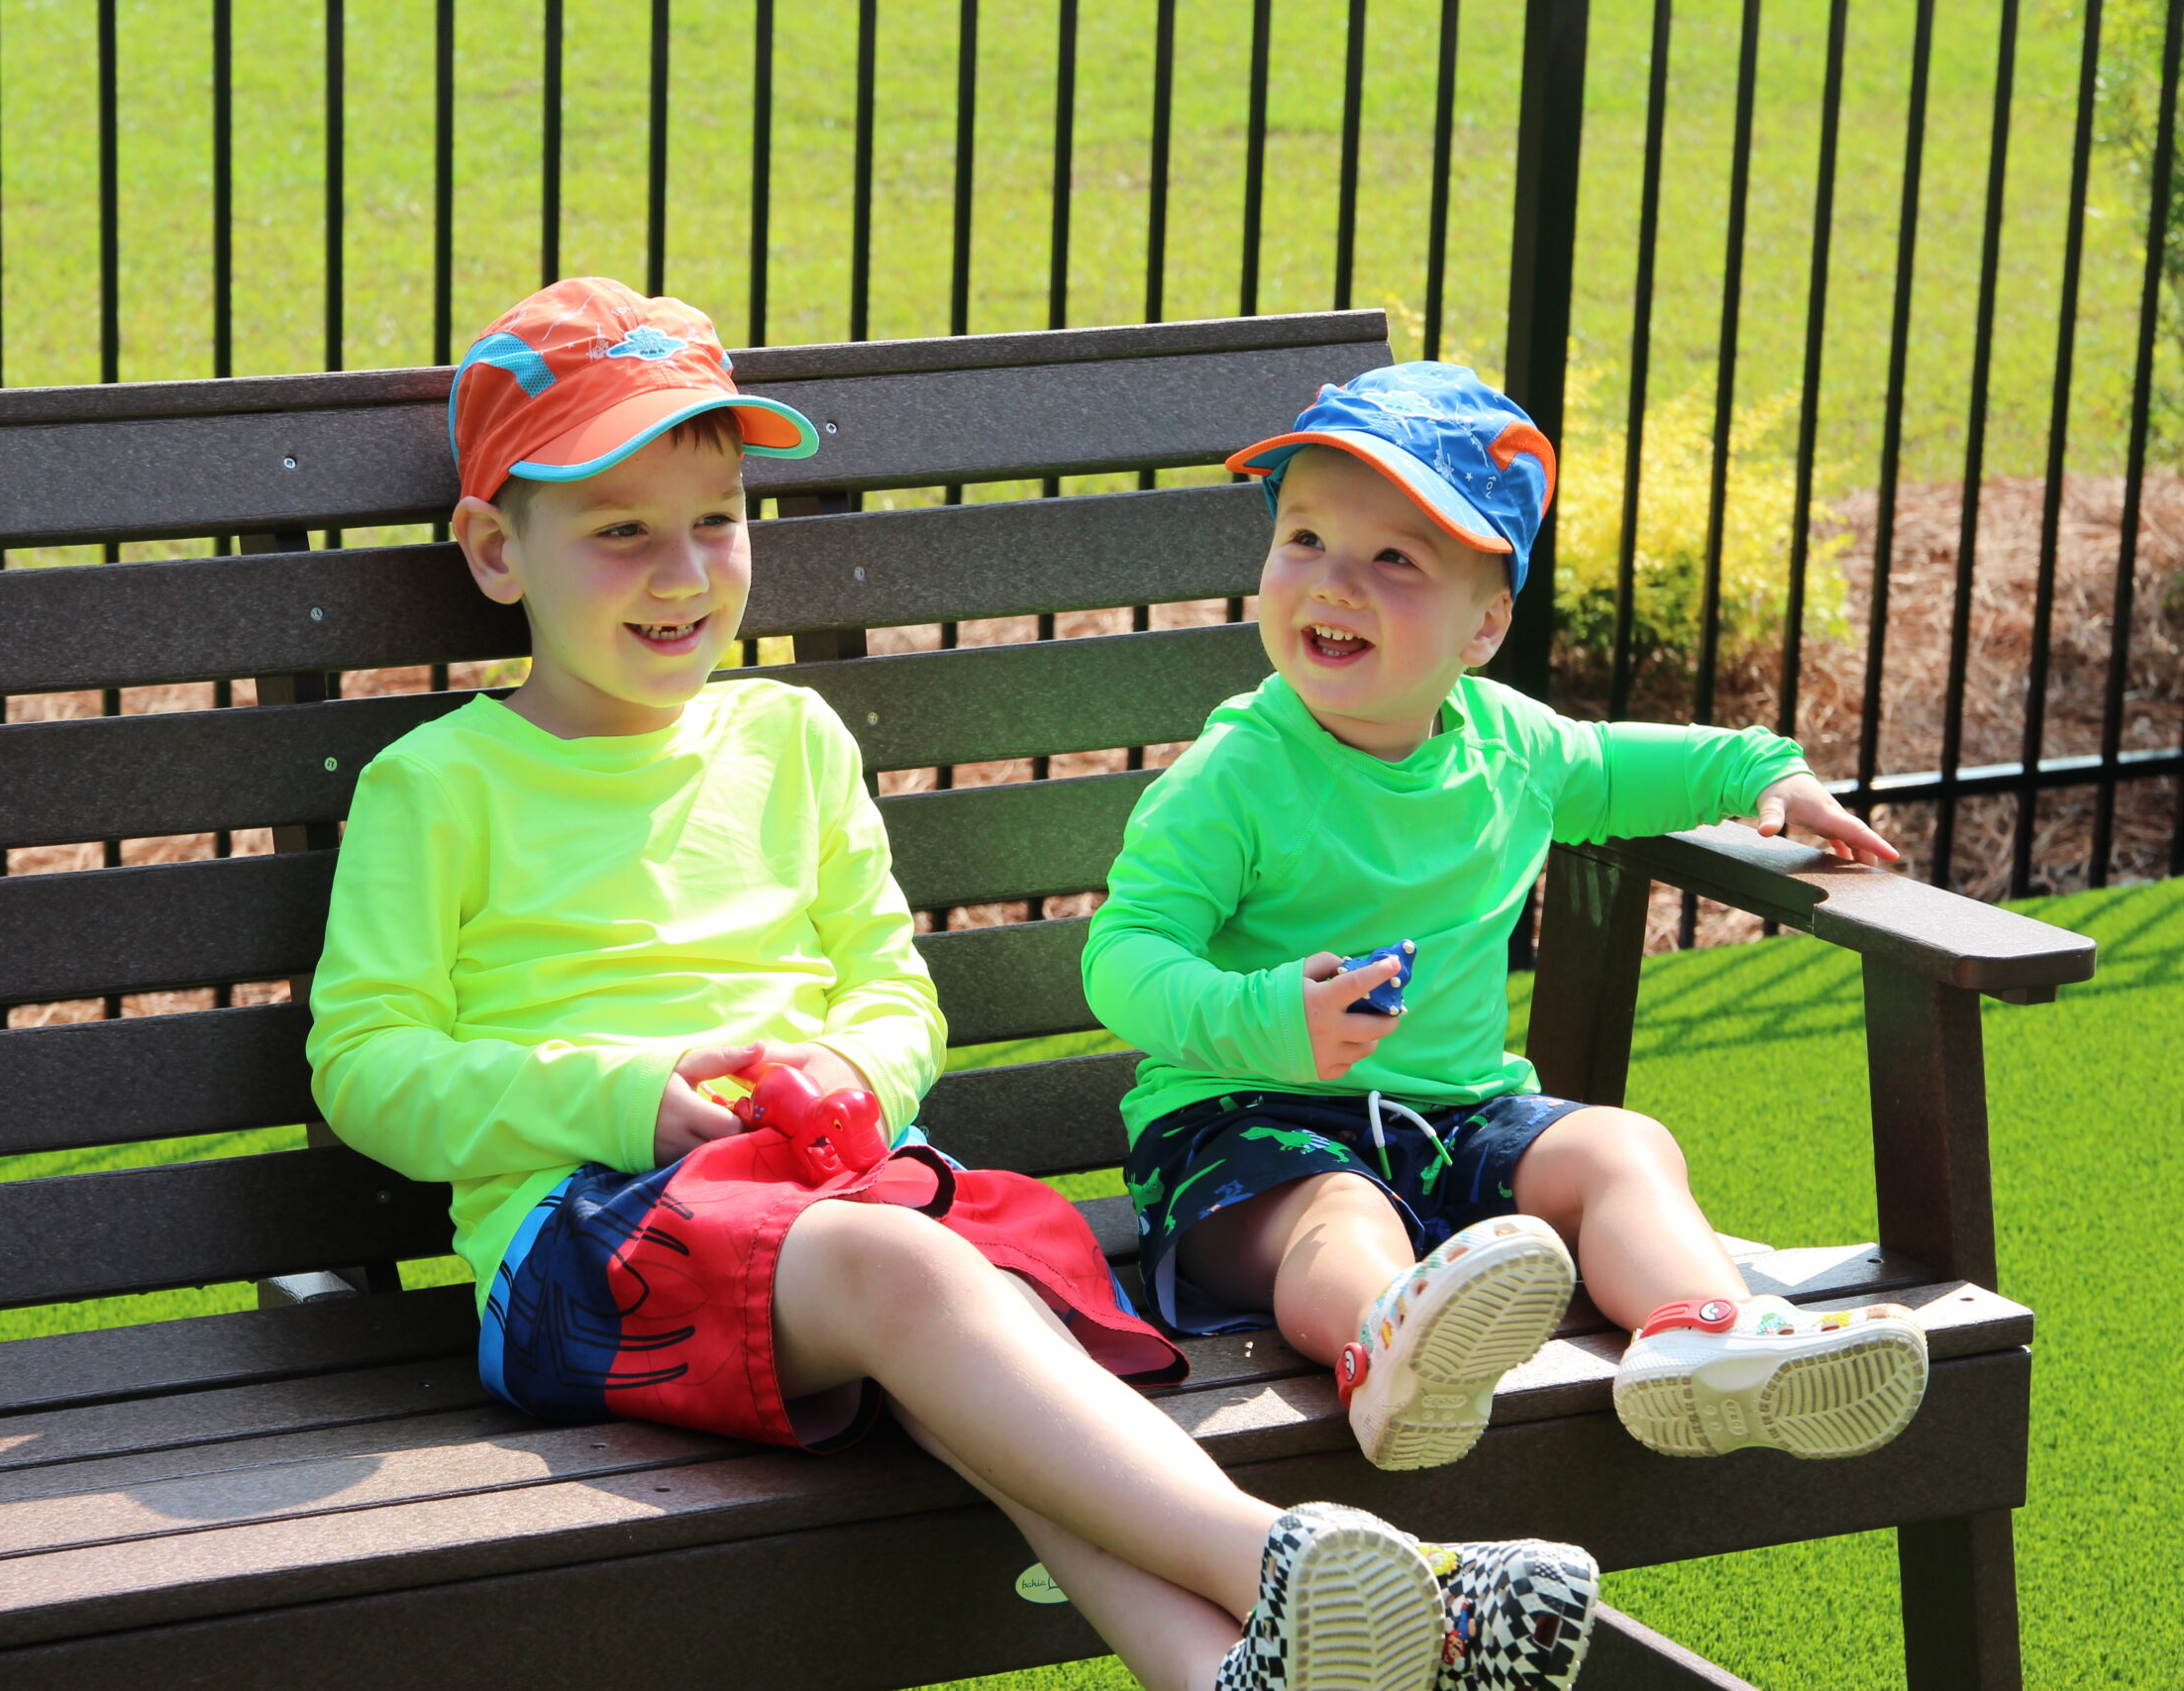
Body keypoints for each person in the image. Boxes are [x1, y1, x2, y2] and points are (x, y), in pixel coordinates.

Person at [307, 282, 1601, 1691]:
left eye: (716, 519)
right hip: (584, 1241)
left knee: (999, 1359)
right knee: (925, 1274)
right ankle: (1315, 1564)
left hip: (838, 1197)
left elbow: (894, 993)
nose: (683, 573)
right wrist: (624, 1096)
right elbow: (365, 1066)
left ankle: (1220, 1670)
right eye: (621, 531)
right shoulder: (438, 785)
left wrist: (858, 1070)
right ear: (497, 549)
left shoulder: (792, 739)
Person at [1083, 363, 1931, 1477]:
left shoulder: (1512, 747)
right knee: (1339, 1210)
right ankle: (1392, 1351)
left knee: (1621, 1146)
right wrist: (1267, 1017)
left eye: (1393, 559)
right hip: (1245, 1131)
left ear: (1483, 627)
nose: (1333, 582)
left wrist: (1767, 772)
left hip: (1459, 1121)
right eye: (1305, 539)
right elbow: (1122, 956)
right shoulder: (1235, 774)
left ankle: (1708, 1338)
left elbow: (1630, 766)